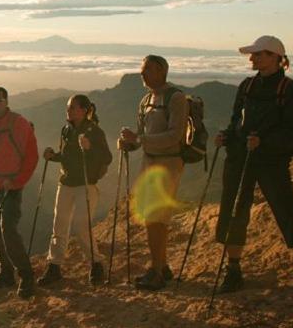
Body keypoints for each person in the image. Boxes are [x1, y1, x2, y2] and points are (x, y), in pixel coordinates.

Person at [213, 35, 293, 293]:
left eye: (258, 54)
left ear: (276, 57)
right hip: (242, 156)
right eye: (253, 55)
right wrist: (226, 135)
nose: (252, 58)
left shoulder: (289, 90)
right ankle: (233, 269)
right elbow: (236, 122)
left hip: (270, 161)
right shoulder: (246, 86)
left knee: (287, 211)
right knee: (234, 210)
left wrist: (263, 140)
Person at [118, 55, 188, 291]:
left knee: (155, 217)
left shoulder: (175, 98)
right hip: (150, 163)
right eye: (142, 69)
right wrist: (129, 142)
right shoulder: (146, 99)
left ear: (161, 71)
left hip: (168, 164)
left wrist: (139, 139)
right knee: (153, 217)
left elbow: (175, 135)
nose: (142, 73)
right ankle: (162, 266)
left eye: (147, 69)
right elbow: (142, 136)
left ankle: (156, 271)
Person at [38, 95, 113, 286]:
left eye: (72, 108)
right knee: (59, 225)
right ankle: (54, 266)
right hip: (66, 183)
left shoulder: (94, 131)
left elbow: (107, 157)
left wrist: (89, 148)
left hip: (86, 184)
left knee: (81, 227)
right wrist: (53, 156)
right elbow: (67, 155)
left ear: (83, 110)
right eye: (68, 108)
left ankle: (96, 263)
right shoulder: (66, 129)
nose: (68, 111)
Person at [0, 87, 39, 298]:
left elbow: (32, 156)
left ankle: (26, 276)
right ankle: (6, 272)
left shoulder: (18, 123)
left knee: (8, 232)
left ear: (6, 101)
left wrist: (16, 182)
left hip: (10, 188)